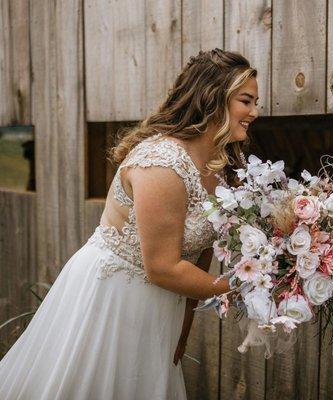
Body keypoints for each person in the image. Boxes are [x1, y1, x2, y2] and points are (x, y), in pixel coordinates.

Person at [0, 48, 259, 399]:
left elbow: (199, 250)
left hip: (159, 309)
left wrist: (184, 326)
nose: (254, 113)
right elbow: (163, 267)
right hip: (113, 299)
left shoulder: (218, 167)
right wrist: (243, 287)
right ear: (214, 98)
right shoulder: (162, 164)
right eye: (246, 101)